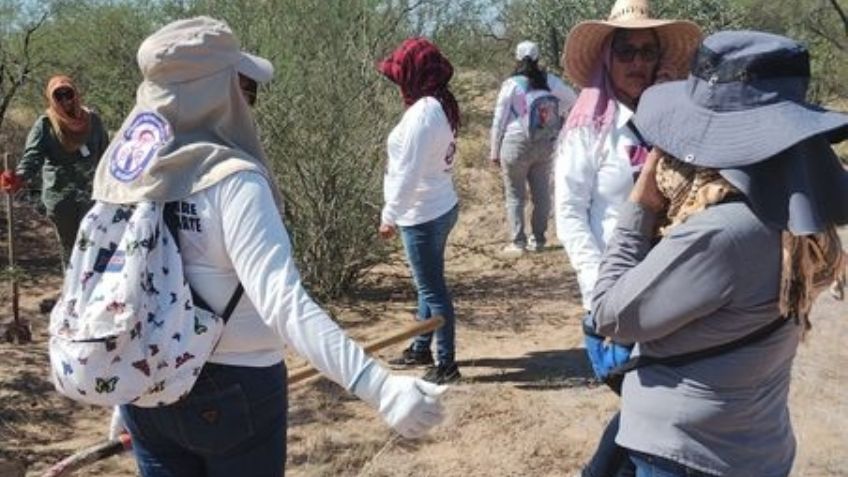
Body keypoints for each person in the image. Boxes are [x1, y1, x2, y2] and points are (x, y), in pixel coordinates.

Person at [96, 17, 446, 477]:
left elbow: (107, 286)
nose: (249, 103)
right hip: (234, 392)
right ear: (215, 93)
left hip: (145, 387)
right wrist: (378, 386)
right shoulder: (233, 182)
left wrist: (123, 386)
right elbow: (282, 301)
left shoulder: (118, 175)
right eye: (243, 88)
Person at [589, 30, 848, 476]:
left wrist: (642, 206)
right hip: (754, 440)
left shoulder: (720, 231)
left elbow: (611, 313)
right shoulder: (796, 216)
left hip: (687, 452)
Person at [552, 1, 701, 475]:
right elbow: (570, 213)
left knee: (654, 411)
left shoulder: (673, 118)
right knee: (652, 410)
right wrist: (601, 293)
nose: (638, 62)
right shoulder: (589, 129)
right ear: (607, 58)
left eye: (647, 51)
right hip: (616, 300)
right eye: (626, 51)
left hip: (675, 295)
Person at [377, 38, 462, 385]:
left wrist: (389, 215)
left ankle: (447, 365)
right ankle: (421, 346)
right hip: (439, 205)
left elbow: (407, 173)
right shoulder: (439, 104)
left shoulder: (423, 115)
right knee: (428, 284)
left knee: (432, 290)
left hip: (422, 213)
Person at [0, 75, 109, 264]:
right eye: (59, 96)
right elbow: (32, 158)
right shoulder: (45, 125)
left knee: (93, 244)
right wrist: (17, 176)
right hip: (61, 198)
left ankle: (91, 291)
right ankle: (72, 289)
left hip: (91, 194)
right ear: (51, 98)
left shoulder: (93, 121)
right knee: (70, 249)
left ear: (75, 94)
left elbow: (106, 155)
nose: (65, 100)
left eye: (68, 94)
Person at [489, 41, 576, 254]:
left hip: (515, 144)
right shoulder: (550, 81)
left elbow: (499, 119)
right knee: (542, 193)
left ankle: (518, 242)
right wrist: (556, 114)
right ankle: (538, 239)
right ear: (538, 58)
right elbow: (572, 99)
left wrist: (494, 150)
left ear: (517, 59)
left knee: (515, 195)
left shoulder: (511, 85)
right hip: (545, 142)